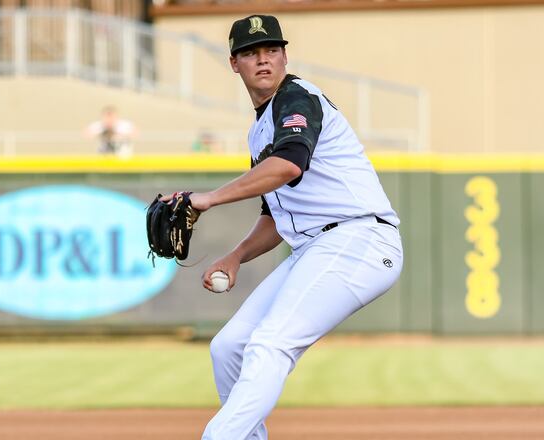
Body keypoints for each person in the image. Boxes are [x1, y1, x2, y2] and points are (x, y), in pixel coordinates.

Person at [162, 15, 403, 440]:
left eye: (272, 50)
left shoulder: (297, 98)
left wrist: (209, 198)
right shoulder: (260, 130)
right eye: (251, 53)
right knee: (229, 348)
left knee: (269, 345)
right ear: (234, 63)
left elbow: (289, 164)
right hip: (317, 247)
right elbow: (276, 216)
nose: (264, 60)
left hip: (359, 237)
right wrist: (235, 256)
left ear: (285, 56)